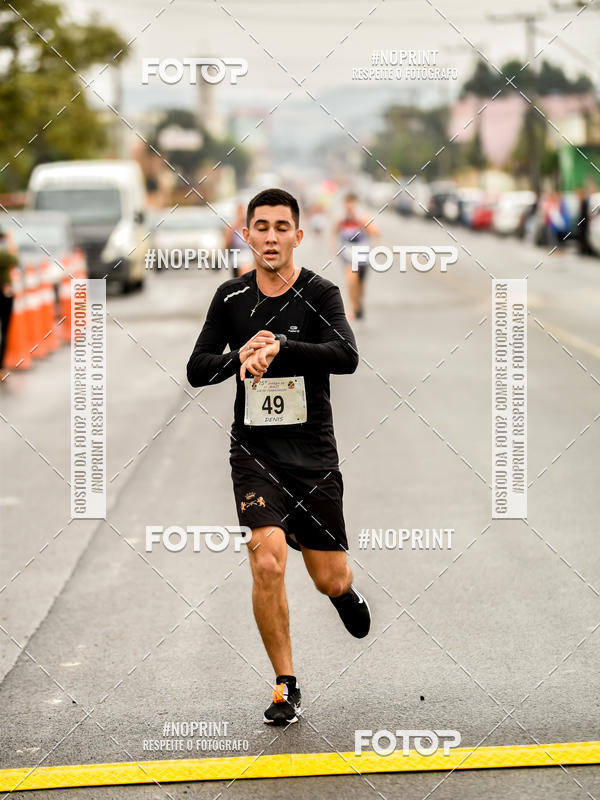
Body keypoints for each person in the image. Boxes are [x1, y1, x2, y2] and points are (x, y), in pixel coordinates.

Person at [187, 188, 371, 726]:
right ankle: (285, 684)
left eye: (280, 227)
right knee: (265, 559)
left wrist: (283, 349)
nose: (270, 237)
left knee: (328, 577)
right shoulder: (230, 298)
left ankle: (343, 595)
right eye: (260, 227)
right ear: (247, 234)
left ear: (298, 234)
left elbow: (347, 356)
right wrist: (237, 358)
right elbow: (198, 368)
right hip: (255, 451)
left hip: (311, 453)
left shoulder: (321, 293)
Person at [332, 192, 379, 321]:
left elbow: (376, 232)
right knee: (351, 280)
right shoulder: (340, 219)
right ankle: (352, 308)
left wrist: (363, 223)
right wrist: (334, 247)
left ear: (356, 204)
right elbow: (334, 233)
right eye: (347, 203)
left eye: (352, 203)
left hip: (363, 255)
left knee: (360, 284)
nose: (349, 206)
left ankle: (359, 304)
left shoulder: (363, 217)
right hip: (347, 255)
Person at [0, 229, 17, 381]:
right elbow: (15, 259)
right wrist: (9, 240)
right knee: (4, 331)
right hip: (4, 295)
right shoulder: (3, 255)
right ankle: (1, 368)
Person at [223, 202, 254, 277]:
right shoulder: (231, 226)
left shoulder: (249, 225)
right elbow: (226, 244)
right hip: (237, 255)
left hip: (249, 254)